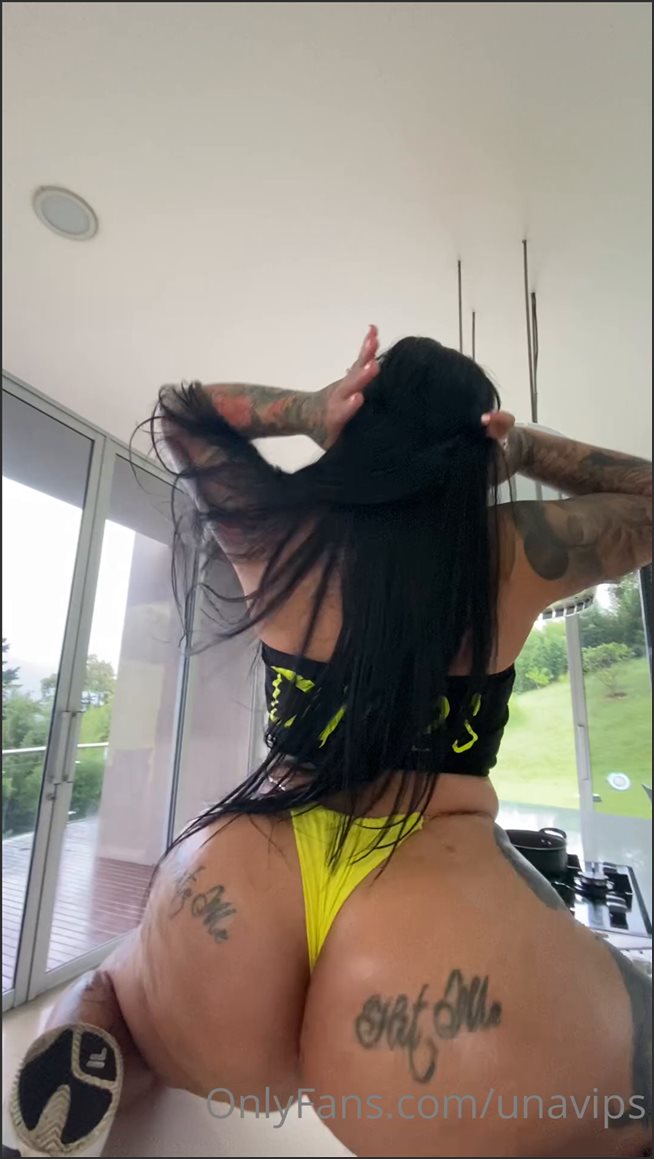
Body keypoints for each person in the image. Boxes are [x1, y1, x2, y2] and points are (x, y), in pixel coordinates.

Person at [4, 328, 652, 1159]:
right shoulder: (513, 547)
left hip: (237, 889)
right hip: (434, 917)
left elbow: (182, 415)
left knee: (119, 983)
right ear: (472, 449)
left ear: (364, 420)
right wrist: (524, 446)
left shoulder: (275, 526)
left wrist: (311, 410)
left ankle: (97, 1033)